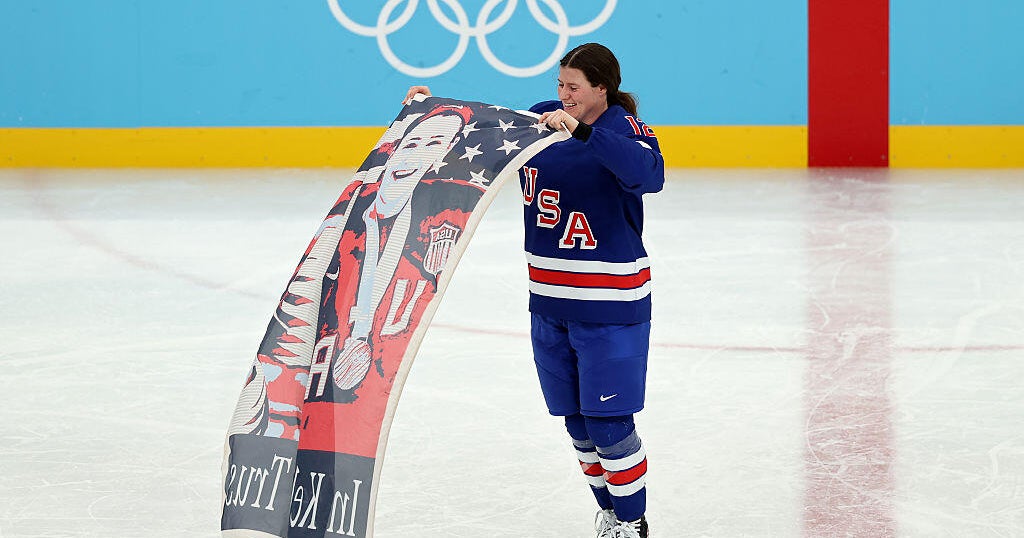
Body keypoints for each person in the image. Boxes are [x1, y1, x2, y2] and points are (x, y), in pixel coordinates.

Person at [405, 42, 663, 538]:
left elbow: (649, 175)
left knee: (610, 425)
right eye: (559, 85)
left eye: (574, 87)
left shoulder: (624, 130)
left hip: (609, 306)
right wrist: (428, 110)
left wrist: (583, 133)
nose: (563, 95)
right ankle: (612, 515)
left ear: (601, 89)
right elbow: (484, 129)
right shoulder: (543, 119)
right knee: (577, 425)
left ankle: (634, 524)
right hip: (548, 303)